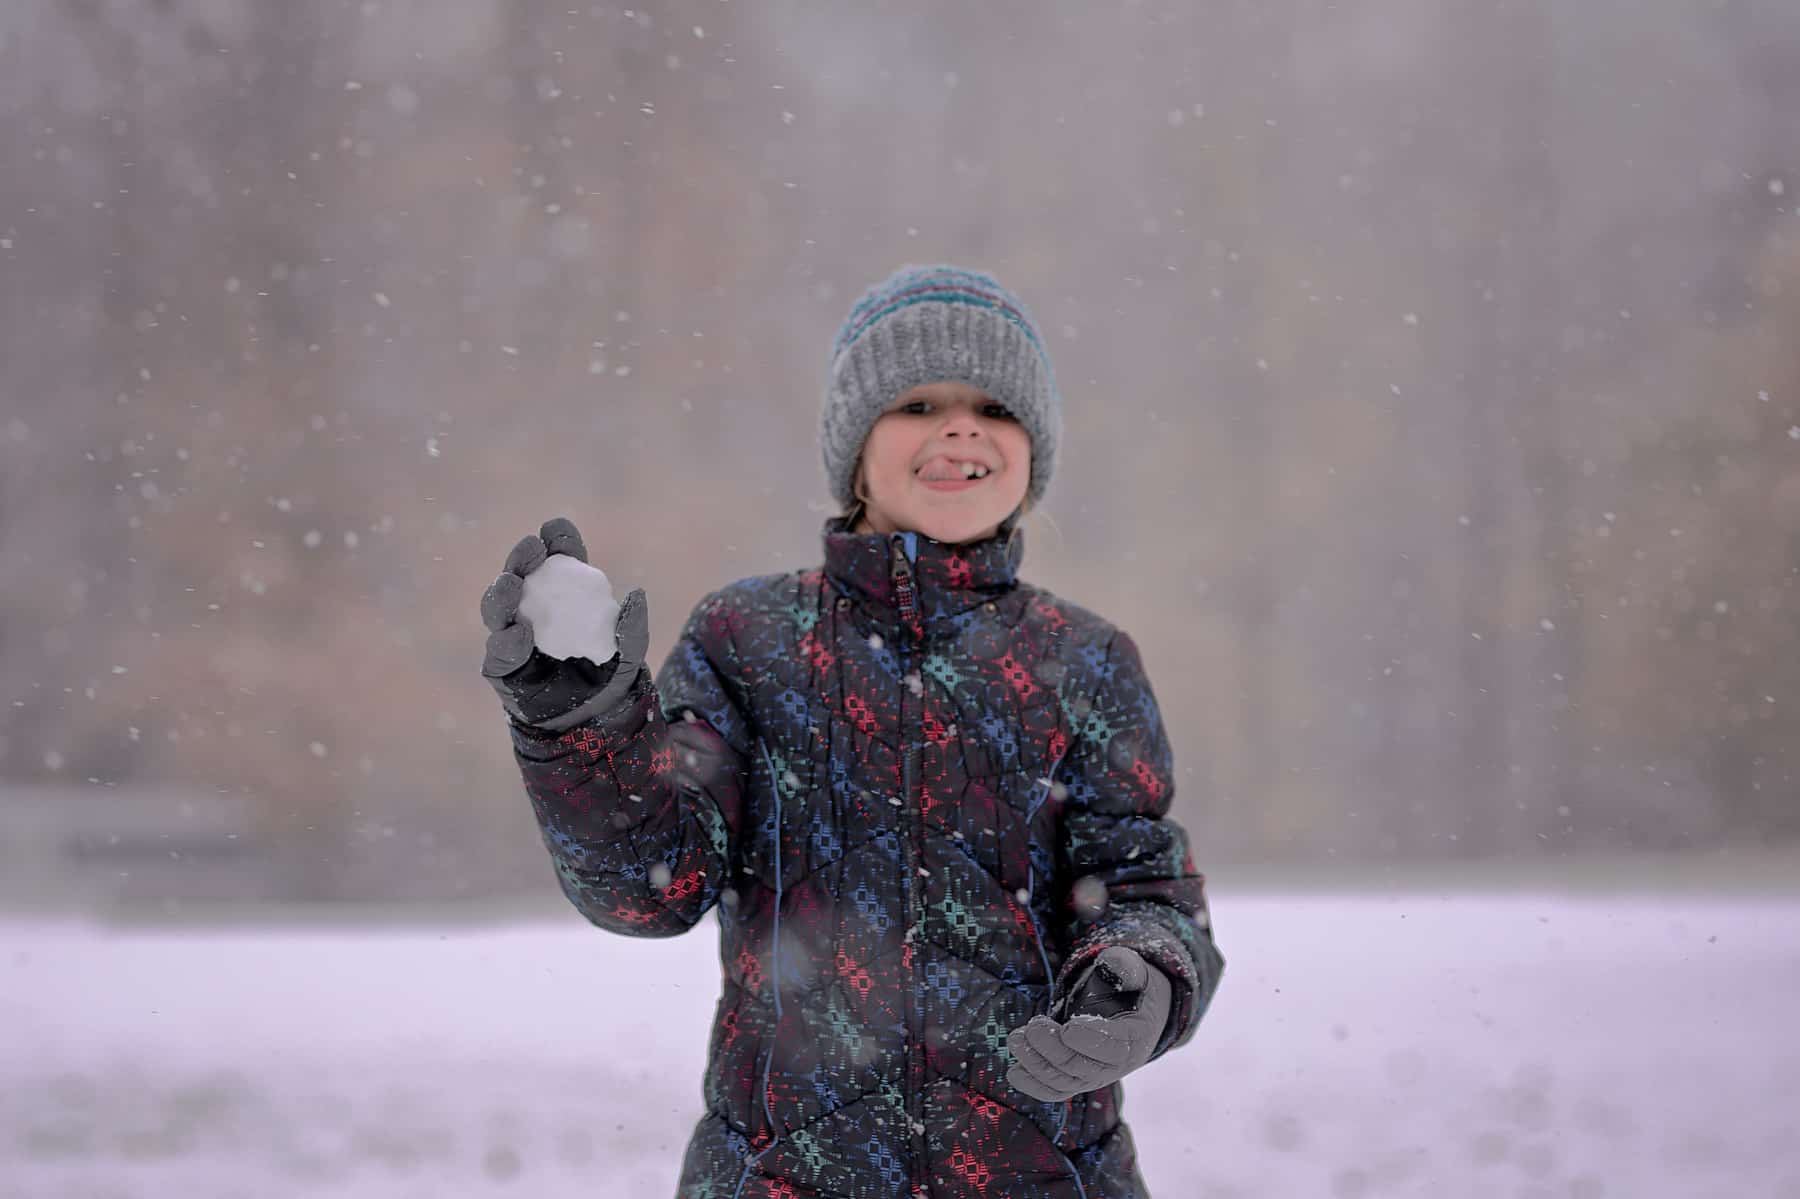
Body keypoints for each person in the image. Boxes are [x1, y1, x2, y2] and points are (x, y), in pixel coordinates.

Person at [480, 264, 1225, 1198]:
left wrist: (1141, 975)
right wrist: (583, 724)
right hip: (780, 1172)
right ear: (854, 447)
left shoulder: (1086, 659)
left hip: (1045, 1174)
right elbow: (652, 887)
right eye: (917, 402)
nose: (960, 427)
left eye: (993, 407)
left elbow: (1142, 885)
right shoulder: (746, 641)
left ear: (1033, 449)